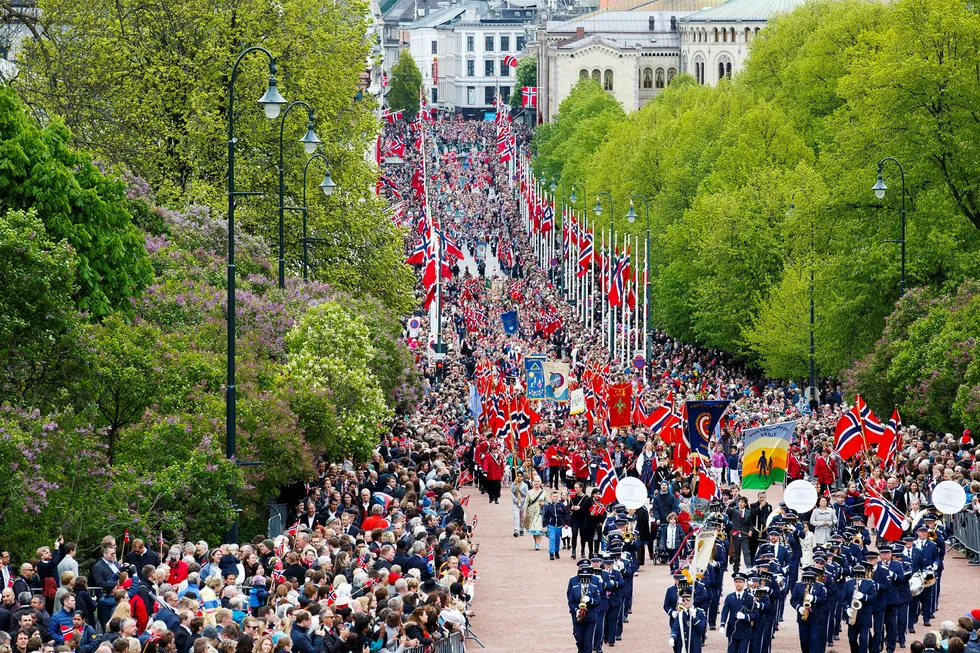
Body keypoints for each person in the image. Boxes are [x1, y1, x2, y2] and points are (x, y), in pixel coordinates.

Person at [567, 562, 601, 653]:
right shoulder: (575, 588)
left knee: (588, 640)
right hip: (578, 617)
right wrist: (576, 610)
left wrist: (590, 600)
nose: (585, 580)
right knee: (580, 640)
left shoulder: (593, 588)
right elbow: (570, 602)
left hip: (590, 617)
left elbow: (598, 601)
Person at [844, 562, 878, 653]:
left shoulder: (869, 583)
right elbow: (843, 599)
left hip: (864, 616)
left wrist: (863, 596)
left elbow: (873, 597)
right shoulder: (848, 583)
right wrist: (847, 608)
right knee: (852, 640)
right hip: (852, 616)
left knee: (864, 641)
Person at [720, 572, 758, 653]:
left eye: (740, 582)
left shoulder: (750, 598)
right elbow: (725, 612)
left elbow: (755, 614)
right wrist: (722, 625)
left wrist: (745, 617)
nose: (738, 584)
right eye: (736, 582)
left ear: (744, 583)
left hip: (745, 631)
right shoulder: (730, 597)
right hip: (732, 630)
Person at [669, 588, 706, 653]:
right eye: (683, 600)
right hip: (683, 646)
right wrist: (672, 637)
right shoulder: (680, 614)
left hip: (694, 647)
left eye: (688, 600)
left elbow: (702, 629)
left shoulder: (700, 613)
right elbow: (675, 628)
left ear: (693, 600)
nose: (685, 602)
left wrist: (694, 618)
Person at [542, 489, 569, 561]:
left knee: (557, 540)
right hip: (551, 525)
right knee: (552, 538)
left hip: (559, 525)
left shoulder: (561, 505)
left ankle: (556, 551)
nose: (555, 498)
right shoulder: (548, 506)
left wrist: (566, 523)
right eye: (554, 496)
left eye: (556, 497)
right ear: (551, 497)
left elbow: (566, 514)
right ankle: (551, 553)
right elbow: (545, 516)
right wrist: (544, 525)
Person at [523, 477, 548, 551]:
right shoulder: (529, 492)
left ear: (540, 483)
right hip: (531, 512)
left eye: (538, 481)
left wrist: (543, 503)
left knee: (539, 529)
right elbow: (526, 502)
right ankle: (535, 541)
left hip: (540, 512)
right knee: (534, 529)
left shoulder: (544, 492)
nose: (536, 483)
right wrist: (524, 512)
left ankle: (537, 544)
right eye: (535, 481)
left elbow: (547, 502)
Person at [511, 470, 528, 538]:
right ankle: (516, 530)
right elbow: (512, 491)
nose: (519, 477)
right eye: (518, 476)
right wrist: (515, 485)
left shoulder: (525, 485)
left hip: (523, 502)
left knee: (521, 518)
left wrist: (520, 491)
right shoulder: (514, 484)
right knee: (516, 517)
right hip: (515, 502)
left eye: (521, 476)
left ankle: (521, 528)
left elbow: (526, 495)